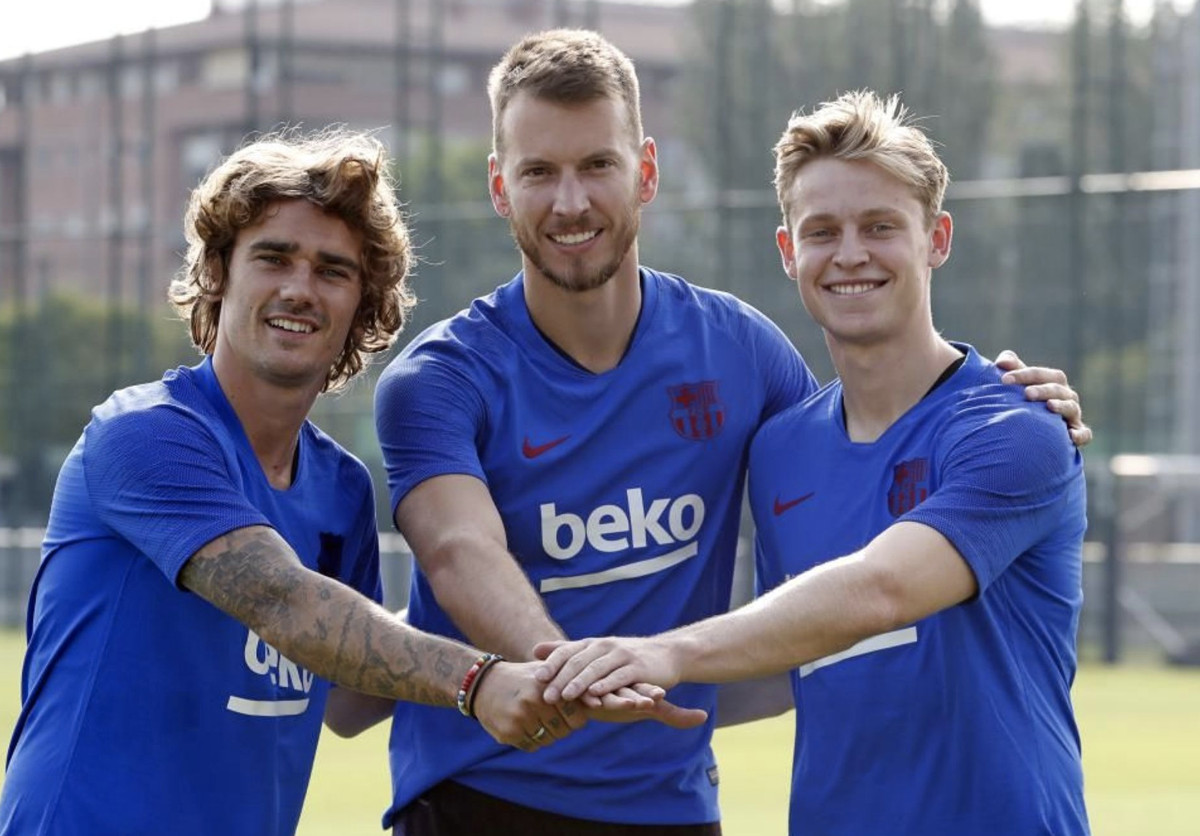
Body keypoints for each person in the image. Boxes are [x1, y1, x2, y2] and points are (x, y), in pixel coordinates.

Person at [366, 30, 1090, 835]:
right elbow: (461, 553)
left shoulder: (776, 368)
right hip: (481, 803)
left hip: (676, 812)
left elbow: (871, 585)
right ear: (500, 187)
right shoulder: (441, 379)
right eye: (540, 172)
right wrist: (588, 675)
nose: (570, 202)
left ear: (645, 172)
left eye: (597, 165)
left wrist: (656, 659)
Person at [0, 128, 685, 836]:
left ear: (364, 304)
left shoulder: (340, 487)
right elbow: (284, 603)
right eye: (273, 258)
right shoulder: (146, 434)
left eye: (333, 270)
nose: (300, 288)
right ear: (218, 273)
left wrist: (538, 619)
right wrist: (478, 680)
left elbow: (352, 700)